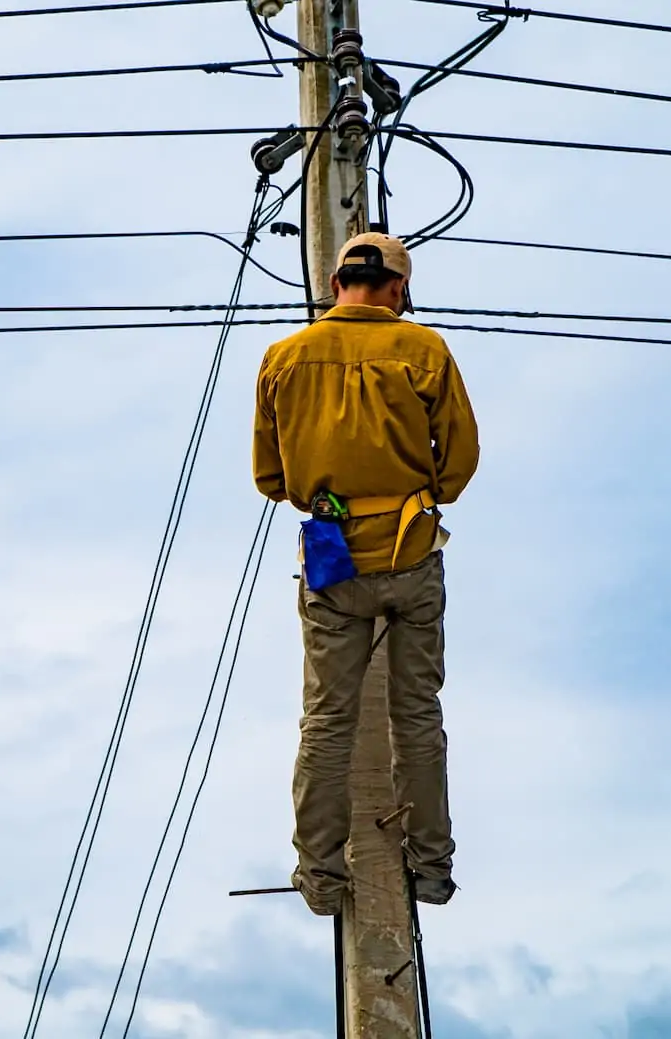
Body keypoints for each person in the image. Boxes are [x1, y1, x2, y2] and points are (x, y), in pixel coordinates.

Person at [252, 232, 480, 916]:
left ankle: (320, 875)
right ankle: (432, 868)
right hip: (411, 554)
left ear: (333, 281)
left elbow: (270, 478)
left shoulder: (282, 358)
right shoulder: (424, 350)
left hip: (332, 561)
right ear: (399, 289)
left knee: (326, 721)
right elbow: (460, 465)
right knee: (417, 715)